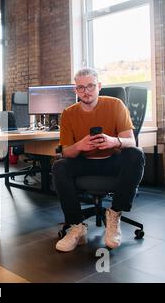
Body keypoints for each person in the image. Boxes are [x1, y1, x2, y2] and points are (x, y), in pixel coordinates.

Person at [52, 67, 145, 252]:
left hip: (112, 160)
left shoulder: (115, 104)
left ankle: (114, 214)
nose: (86, 92)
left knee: (135, 154)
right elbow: (67, 152)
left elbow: (131, 141)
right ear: (75, 90)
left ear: (99, 86)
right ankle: (76, 226)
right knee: (59, 166)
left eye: (90, 86)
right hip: (85, 162)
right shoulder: (68, 113)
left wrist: (113, 141)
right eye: (81, 88)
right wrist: (80, 146)